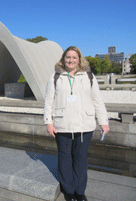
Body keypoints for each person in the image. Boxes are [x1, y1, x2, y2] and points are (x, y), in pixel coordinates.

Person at [44, 46, 110, 201]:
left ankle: (80, 192)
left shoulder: (88, 76)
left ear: (79, 59)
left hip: (84, 125)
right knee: (64, 158)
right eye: (68, 57)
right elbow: (48, 101)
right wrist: (48, 122)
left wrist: (104, 122)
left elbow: (97, 100)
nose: (71, 60)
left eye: (74, 57)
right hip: (62, 125)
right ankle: (68, 190)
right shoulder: (55, 77)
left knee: (80, 158)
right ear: (63, 59)